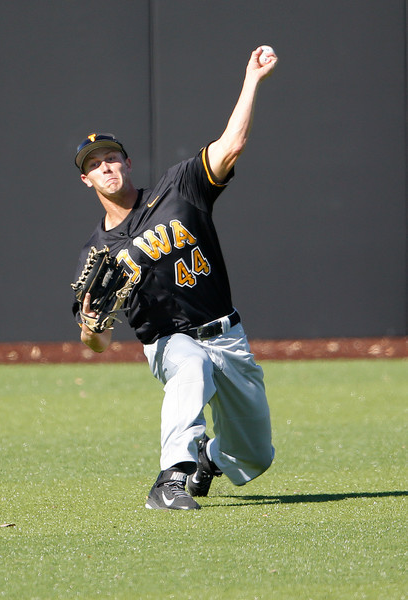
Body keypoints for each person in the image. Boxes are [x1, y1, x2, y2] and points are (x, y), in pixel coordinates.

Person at [72, 46, 278, 510]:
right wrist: (93, 327)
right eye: (93, 164)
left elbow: (231, 144)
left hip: (227, 333)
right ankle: (172, 479)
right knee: (190, 365)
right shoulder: (95, 251)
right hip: (169, 342)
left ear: (126, 162)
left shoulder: (179, 188)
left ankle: (209, 458)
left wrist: (252, 81)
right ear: (86, 180)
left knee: (256, 455)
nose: (104, 167)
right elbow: (95, 343)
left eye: (110, 158)